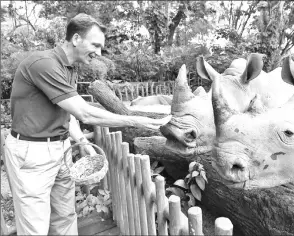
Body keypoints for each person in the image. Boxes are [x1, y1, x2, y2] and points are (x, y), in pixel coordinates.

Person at [4, 13, 170, 235]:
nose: (99, 53)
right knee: (35, 226)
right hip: (32, 153)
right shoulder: (43, 64)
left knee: (65, 216)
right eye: (95, 45)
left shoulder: (70, 68)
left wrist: (81, 140)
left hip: (61, 148)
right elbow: (85, 114)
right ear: (75, 39)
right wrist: (136, 120)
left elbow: (68, 112)